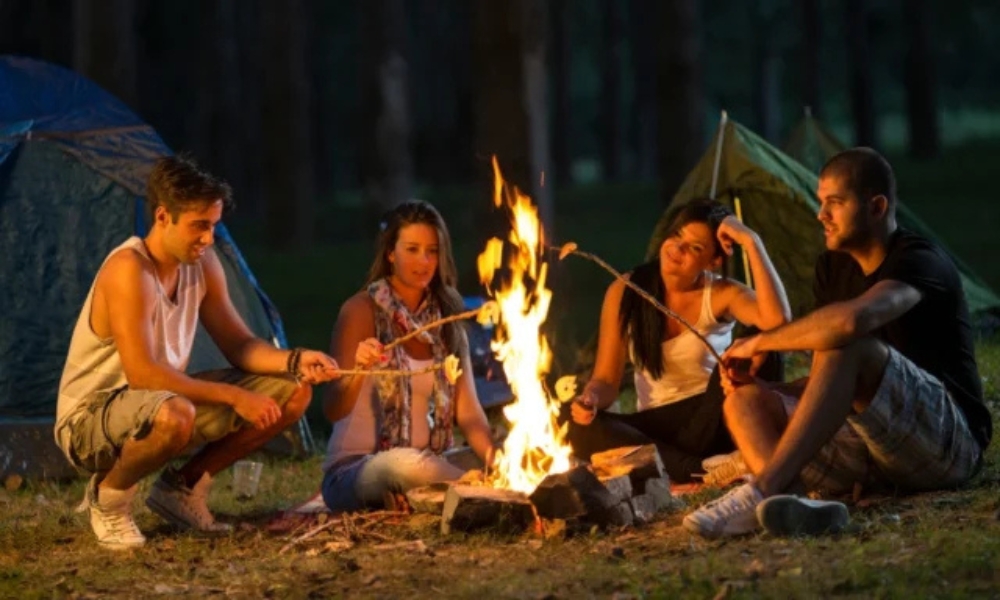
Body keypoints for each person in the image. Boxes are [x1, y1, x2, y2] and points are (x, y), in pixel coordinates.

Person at [683, 148, 992, 538]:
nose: (820, 215)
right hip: (870, 446)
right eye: (820, 202)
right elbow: (830, 382)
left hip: (947, 444)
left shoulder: (919, 259)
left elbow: (853, 322)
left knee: (847, 340)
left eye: (835, 203)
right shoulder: (832, 269)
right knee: (745, 399)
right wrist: (768, 390)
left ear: (876, 206)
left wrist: (760, 343)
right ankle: (791, 503)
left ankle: (762, 490)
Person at [55, 155, 340, 550]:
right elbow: (143, 375)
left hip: (159, 402)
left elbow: (239, 345)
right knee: (175, 413)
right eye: (199, 226)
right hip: (89, 420)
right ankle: (109, 498)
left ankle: (182, 490)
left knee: (293, 391)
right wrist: (236, 396)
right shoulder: (129, 270)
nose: (208, 238)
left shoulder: (201, 265)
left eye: (214, 226)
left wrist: (296, 360)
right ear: (162, 217)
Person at [562, 199, 791, 483]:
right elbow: (607, 381)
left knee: (764, 345)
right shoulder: (626, 290)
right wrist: (591, 399)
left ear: (713, 260)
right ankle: (705, 469)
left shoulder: (721, 293)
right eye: (677, 236)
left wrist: (751, 240)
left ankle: (680, 468)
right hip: (659, 427)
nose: (678, 249)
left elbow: (779, 321)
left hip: (716, 415)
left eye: (695, 247)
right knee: (572, 422)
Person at [320, 200, 496, 511]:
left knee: (517, 449)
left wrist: (498, 460)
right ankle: (487, 494)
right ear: (391, 253)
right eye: (412, 249)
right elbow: (333, 408)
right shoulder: (360, 310)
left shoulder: (447, 317)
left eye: (432, 251)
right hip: (358, 470)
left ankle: (481, 487)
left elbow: (468, 414)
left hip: (434, 459)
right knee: (406, 467)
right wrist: (360, 369)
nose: (424, 261)